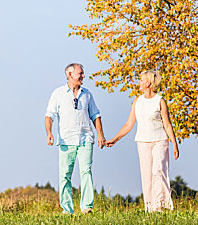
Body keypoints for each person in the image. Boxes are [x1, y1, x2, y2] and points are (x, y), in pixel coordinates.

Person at [106, 70, 179, 212]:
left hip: (160, 140)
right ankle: (150, 207)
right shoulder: (137, 101)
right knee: (147, 174)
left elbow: (167, 124)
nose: (139, 83)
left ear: (148, 83)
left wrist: (174, 144)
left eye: (141, 80)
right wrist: (115, 139)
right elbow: (128, 124)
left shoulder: (160, 101)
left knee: (158, 171)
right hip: (142, 141)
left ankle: (161, 205)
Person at [45, 63, 106, 214]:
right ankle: (67, 209)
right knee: (65, 175)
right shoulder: (58, 94)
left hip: (85, 138)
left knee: (86, 171)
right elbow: (49, 115)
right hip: (66, 140)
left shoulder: (87, 94)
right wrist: (49, 133)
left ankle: (87, 207)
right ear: (70, 75)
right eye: (81, 73)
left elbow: (95, 115)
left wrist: (100, 134)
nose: (83, 76)